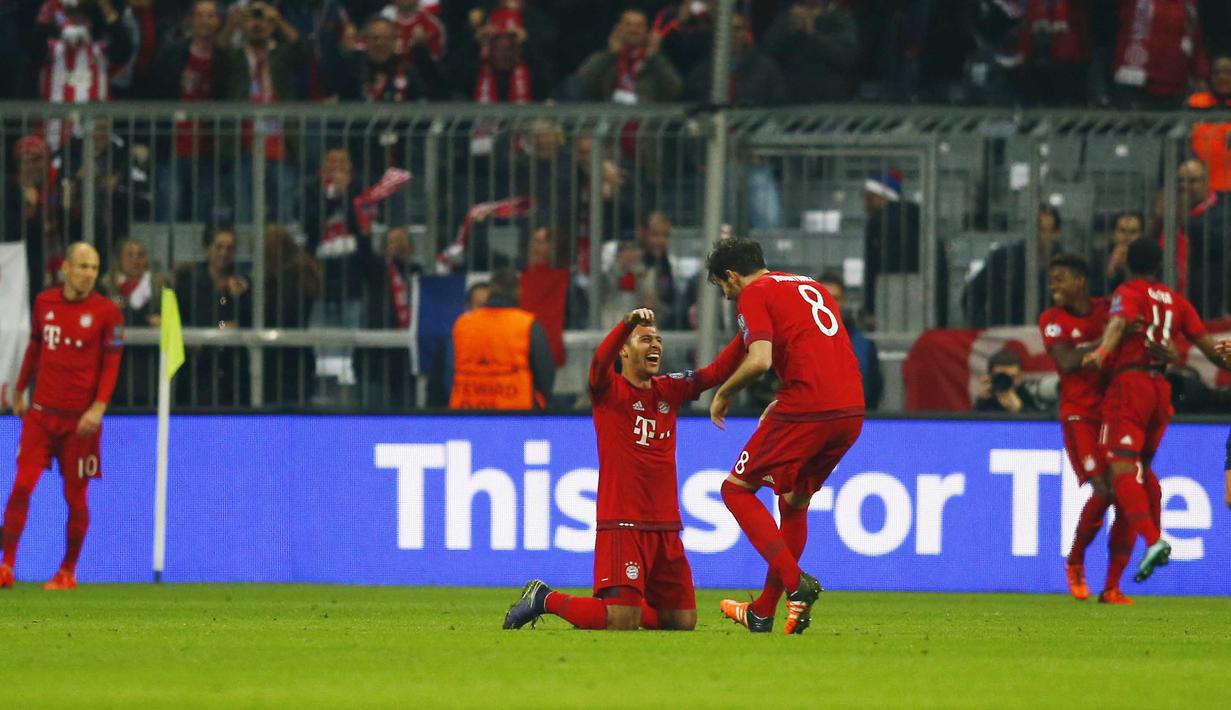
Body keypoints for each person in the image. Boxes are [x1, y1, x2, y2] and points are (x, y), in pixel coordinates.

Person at [502, 307, 744, 631]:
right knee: (620, 620)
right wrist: (625, 324)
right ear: (625, 350)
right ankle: (545, 598)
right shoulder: (609, 391)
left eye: (658, 340)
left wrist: (748, 332)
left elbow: (715, 372)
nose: (655, 345)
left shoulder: (668, 391)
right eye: (645, 339)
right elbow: (599, 363)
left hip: (666, 525)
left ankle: (625, 601)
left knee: (682, 620)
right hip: (623, 522)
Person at [705, 237, 865, 634]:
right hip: (850, 409)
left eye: (723, 287)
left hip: (808, 406)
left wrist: (722, 394)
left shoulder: (753, 293)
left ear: (731, 275)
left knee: (735, 489)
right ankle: (763, 610)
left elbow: (759, 359)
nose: (727, 296)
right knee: (794, 500)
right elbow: (819, 347)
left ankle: (797, 585)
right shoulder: (809, 284)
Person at [1082, 238, 1231, 584]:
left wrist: (1102, 354)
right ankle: (1151, 540)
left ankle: (1153, 540)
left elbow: (1118, 324)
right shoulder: (1177, 302)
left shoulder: (1129, 291)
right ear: (1160, 267)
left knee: (1122, 468)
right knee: (1142, 470)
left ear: (1127, 264)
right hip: (1161, 390)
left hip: (1131, 385)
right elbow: (1210, 351)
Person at [1, 242, 124, 590]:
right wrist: (21, 388)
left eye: (95, 268)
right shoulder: (45, 303)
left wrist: (98, 408)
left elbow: (111, 366)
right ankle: (6, 566)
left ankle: (67, 571)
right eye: (83, 266)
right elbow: (35, 347)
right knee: (21, 486)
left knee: (75, 497)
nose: (89, 275)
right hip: (41, 415)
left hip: (80, 423)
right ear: (66, 269)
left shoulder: (107, 313)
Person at [1037, 253, 1138, 604]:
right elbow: (1066, 361)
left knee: (1124, 492)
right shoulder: (1051, 320)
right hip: (1079, 414)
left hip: (1114, 412)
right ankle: (1076, 560)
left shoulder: (1106, 309)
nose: (1053, 285)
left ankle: (1112, 584)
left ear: (1080, 281)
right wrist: (1111, 341)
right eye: (1051, 279)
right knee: (1104, 488)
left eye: (1060, 278)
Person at [446, 267, 554, 410]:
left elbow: (448, 372)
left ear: (490, 291)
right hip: (516, 413)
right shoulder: (527, 324)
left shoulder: (463, 324)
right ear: (518, 291)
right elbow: (545, 375)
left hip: (467, 411)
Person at [965, 203, 1063, 327]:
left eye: (1044, 230)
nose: (1037, 236)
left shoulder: (1067, 268)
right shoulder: (1003, 259)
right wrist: (983, 329)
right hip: (1005, 338)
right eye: (1035, 229)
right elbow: (972, 295)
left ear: (1056, 234)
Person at [574, 9, 682, 104]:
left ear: (647, 31)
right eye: (628, 25)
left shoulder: (655, 60)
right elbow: (583, 81)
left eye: (639, 26)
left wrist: (654, 58)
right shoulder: (607, 57)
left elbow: (675, 89)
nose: (633, 30)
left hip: (647, 123)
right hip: (611, 121)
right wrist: (609, 55)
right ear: (618, 29)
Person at [818, 273, 882, 410]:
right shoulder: (795, 341)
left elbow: (873, 390)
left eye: (835, 298)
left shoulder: (864, 346)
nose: (829, 303)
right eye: (823, 298)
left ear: (843, 300)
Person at [973, 348, 1044, 413]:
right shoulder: (987, 398)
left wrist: (1020, 410)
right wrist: (982, 400)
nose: (1006, 381)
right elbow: (971, 425)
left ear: (1020, 377)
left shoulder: (1029, 395)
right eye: (1002, 377)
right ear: (990, 377)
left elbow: (1042, 423)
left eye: (1012, 377)